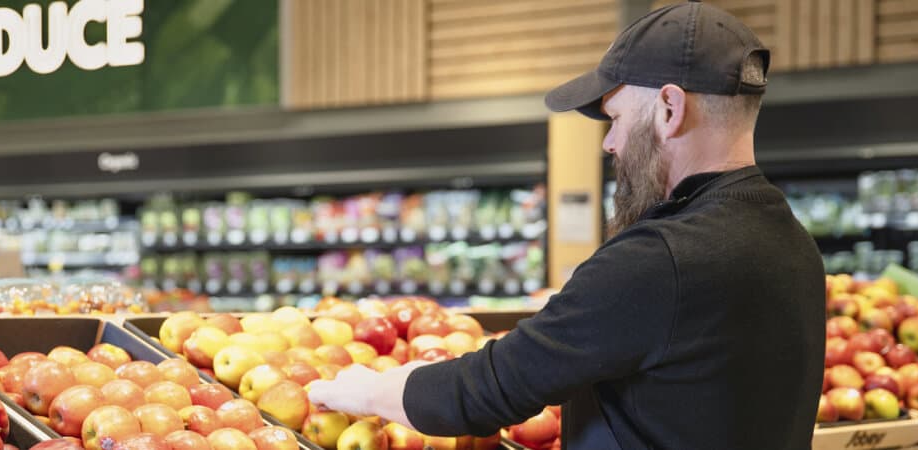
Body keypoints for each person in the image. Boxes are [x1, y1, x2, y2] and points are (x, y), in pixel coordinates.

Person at [306, 2, 826, 449]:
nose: (610, 143)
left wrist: (365, 391)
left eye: (617, 117)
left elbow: (492, 387)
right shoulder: (791, 243)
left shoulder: (661, 259)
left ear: (669, 108)